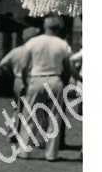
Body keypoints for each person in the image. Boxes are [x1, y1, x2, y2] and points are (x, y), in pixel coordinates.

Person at [16, 16, 72, 162]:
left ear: (44, 26)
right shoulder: (63, 44)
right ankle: (51, 154)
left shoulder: (33, 42)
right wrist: (64, 82)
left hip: (37, 78)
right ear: (58, 28)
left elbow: (24, 66)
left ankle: (24, 151)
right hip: (55, 79)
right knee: (55, 117)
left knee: (29, 116)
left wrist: (25, 82)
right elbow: (67, 68)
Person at [0, 27, 36, 140]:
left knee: (18, 108)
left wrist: (12, 74)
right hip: (33, 79)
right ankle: (28, 134)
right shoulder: (37, 52)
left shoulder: (16, 51)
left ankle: (14, 132)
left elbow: (2, 64)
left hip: (18, 79)